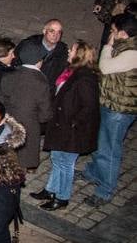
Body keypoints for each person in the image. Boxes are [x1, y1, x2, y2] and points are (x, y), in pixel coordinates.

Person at [80, 13, 137, 205]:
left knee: (110, 149)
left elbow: (104, 67)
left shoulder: (132, 53)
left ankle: (105, 189)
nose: (110, 34)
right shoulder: (126, 46)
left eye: (113, 31)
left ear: (122, 34)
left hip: (119, 110)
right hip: (110, 102)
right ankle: (94, 172)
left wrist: (107, 46)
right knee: (100, 141)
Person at [36, 41, 101, 210]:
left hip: (72, 131)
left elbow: (89, 106)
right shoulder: (72, 70)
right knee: (56, 158)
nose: (68, 52)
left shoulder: (85, 78)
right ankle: (51, 189)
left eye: (71, 50)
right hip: (61, 125)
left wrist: (73, 123)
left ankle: (62, 197)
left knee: (65, 163)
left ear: (79, 54)